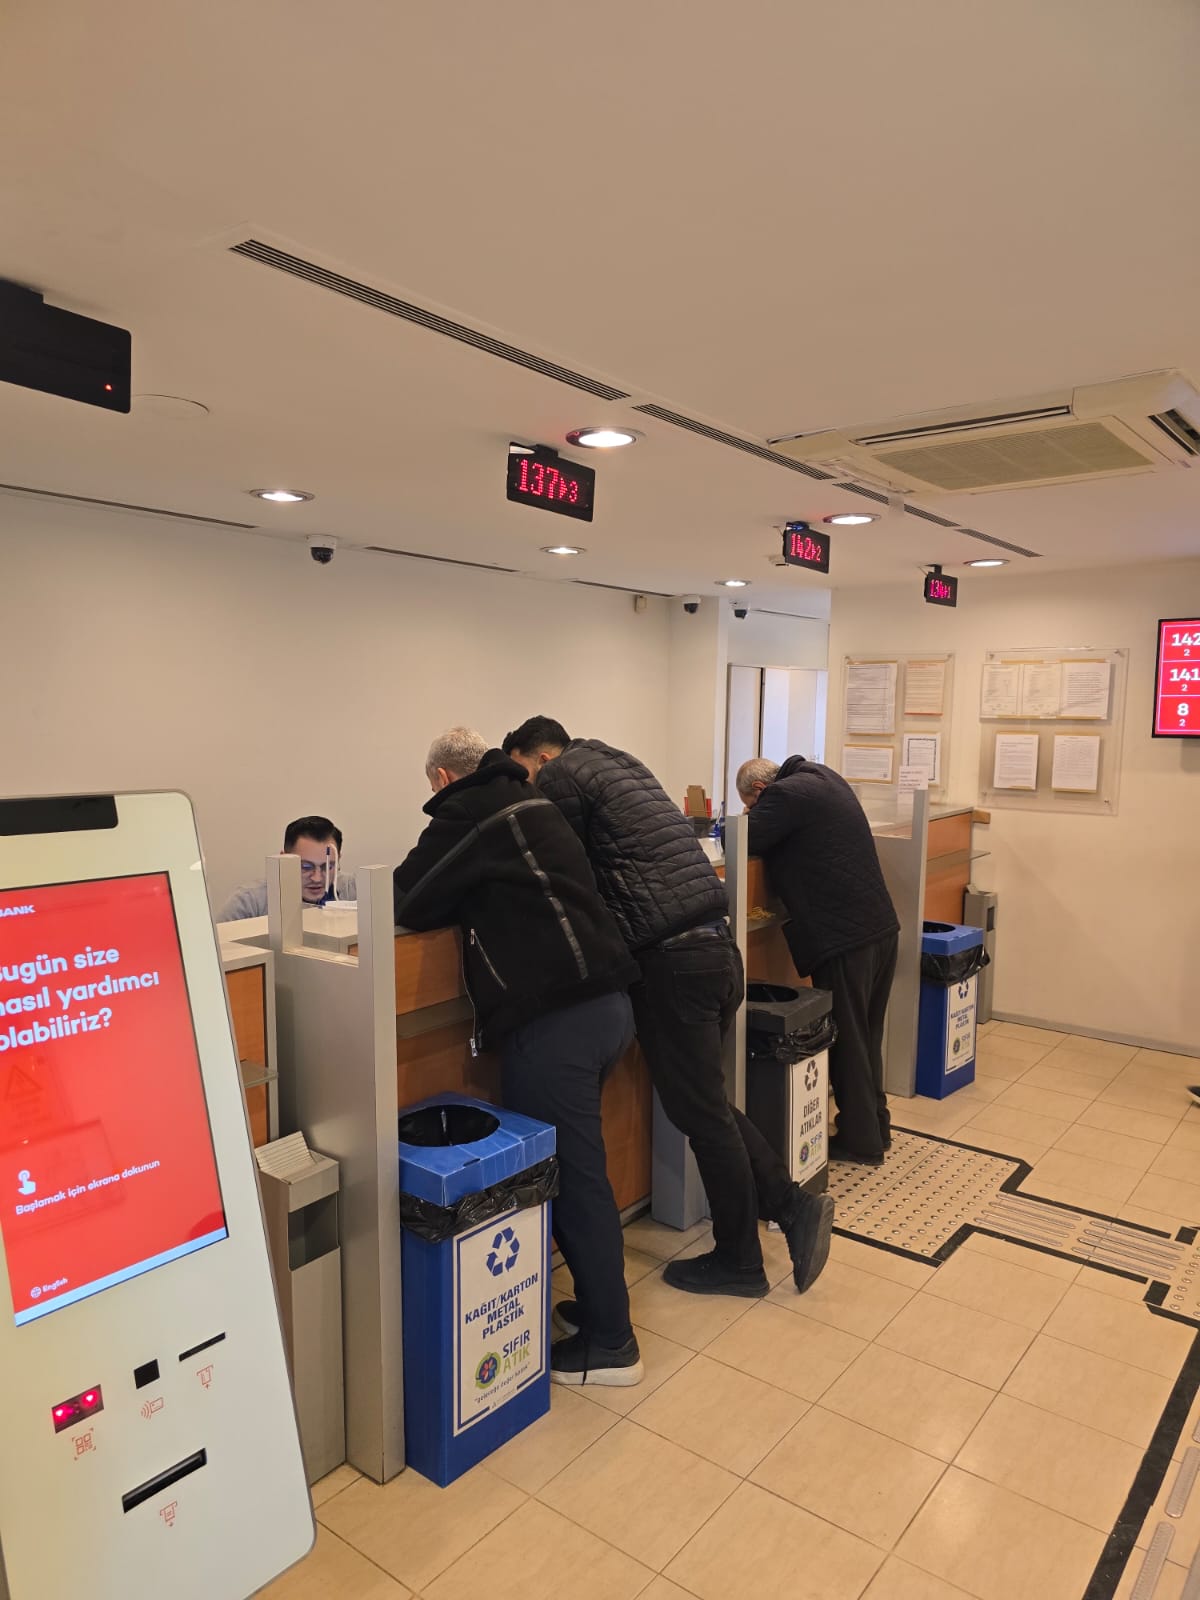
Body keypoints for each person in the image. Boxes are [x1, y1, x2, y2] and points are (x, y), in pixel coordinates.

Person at [502, 715, 834, 1303]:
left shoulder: (561, 779)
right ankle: (789, 1206)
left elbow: (558, 872)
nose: (524, 788)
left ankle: (744, 1255)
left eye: (521, 773)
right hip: (715, 947)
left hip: (672, 961)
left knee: (702, 1114)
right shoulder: (618, 761)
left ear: (540, 758)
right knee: (706, 1105)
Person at [393, 728, 644, 1388]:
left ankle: (612, 1343)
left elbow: (407, 897)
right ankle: (597, 1308)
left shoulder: (469, 810)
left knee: (576, 1177)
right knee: (584, 1168)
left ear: (442, 778)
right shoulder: (532, 801)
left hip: (558, 1020)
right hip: (609, 1004)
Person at [738, 756, 900, 1166]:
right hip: (880, 929)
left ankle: (861, 1142)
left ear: (759, 790)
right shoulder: (824, 778)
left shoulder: (785, 796)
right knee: (868, 1035)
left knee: (848, 1041)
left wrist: (747, 819)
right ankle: (876, 1126)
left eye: (751, 804)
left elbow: (741, 840)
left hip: (845, 939)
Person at [216, 815, 356, 922]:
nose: (317, 878)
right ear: (284, 859)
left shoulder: (355, 890)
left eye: (328, 867)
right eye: (306, 867)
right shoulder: (250, 902)